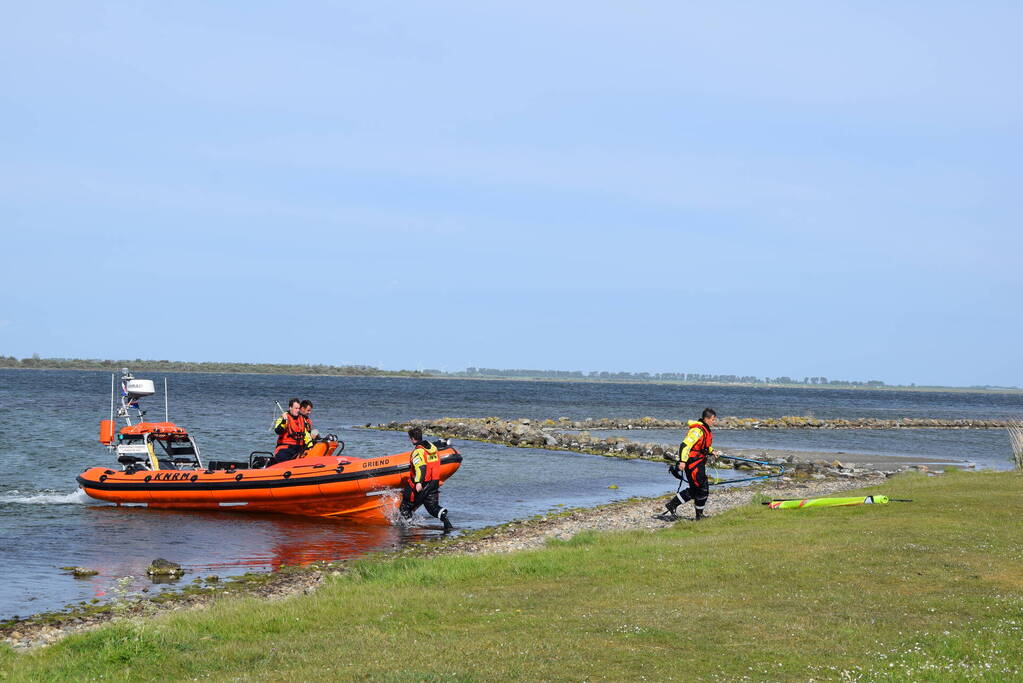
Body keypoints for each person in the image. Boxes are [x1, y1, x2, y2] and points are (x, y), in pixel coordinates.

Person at [664, 407, 717, 520]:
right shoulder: (697, 430)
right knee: (702, 489)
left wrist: (711, 451)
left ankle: (673, 505)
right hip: (693, 464)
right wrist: (682, 461)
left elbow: (702, 446)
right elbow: (685, 445)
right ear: (707, 419)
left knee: (695, 489)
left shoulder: (704, 430)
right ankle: (699, 515)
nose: (714, 421)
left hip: (699, 462)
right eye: (713, 419)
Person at [399, 426, 453, 532]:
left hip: (422, 483)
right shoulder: (432, 447)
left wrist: (418, 482)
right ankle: (446, 520)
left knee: (404, 507)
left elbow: (421, 467)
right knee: (432, 508)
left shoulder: (418, 452)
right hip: (434, 482)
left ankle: (409, 528)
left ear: (412, 439)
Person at [271, 398, 307, 465]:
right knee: (281, 458)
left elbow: (306, 435)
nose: (297, 410)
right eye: (295, 408)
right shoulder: (283, 418)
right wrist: (284, 421)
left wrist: (310, 446)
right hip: (285, 448)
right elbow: (278, 431)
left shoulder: (302, 419)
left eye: (298, 408)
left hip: (299, 449)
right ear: (290, 408)